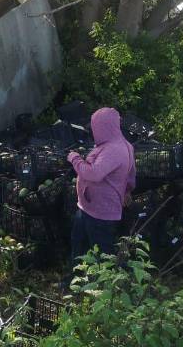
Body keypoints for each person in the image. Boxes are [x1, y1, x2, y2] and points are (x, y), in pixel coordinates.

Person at [66, 107, 135, 264]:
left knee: (102, 254)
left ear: (104, 127)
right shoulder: (120, 144)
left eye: (95, 126)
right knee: (79, 244)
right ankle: (74, 279)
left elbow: (94, 173)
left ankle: (107, 285)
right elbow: (130, 175)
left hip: (100, 213)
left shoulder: (114, 149)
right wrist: (127, 191)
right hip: (87, 207)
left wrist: (74, 158)